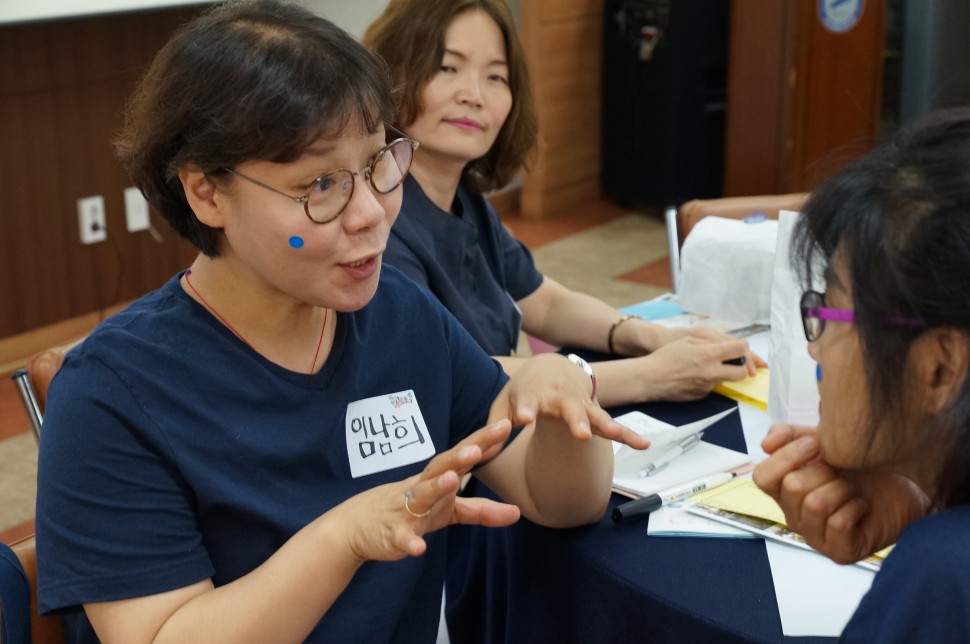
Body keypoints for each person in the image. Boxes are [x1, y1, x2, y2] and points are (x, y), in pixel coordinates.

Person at [33, 2, 649, 642]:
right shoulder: (113, 391)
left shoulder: (401, 316)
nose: (371, 213)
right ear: (207, 193)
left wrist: (562, 407)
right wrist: (344, 538)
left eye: (379, 163)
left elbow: (560, 503)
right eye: (322, 185)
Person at [362, 0, 764, 409]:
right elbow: (451, 375)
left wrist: (650, 337)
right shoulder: (378, 222)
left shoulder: (465, 200)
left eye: (496, 76)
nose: (474, 95)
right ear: (392, 73)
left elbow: (546, 304)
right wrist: (652, 375)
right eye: (448, 67)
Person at [752, 106, 970, 641]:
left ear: (940, 367)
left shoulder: (941, 577)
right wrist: (928, 497)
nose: (816, 348)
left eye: (830, 311)